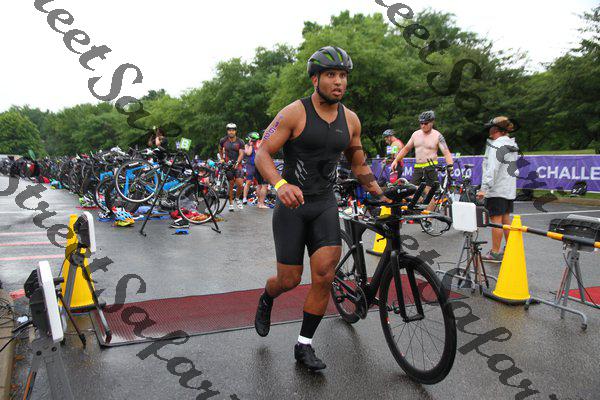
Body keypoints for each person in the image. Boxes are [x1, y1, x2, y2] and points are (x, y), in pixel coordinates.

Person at [254, 46, 389, 371]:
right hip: (292, 208)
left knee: (325, 276)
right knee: (289, 280)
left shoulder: (351, 120)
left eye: (343, 75)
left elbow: (358, 164)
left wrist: (379, 192)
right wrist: (280, 185)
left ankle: (304, 345)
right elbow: (262, 153)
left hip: (325, 204)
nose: (338, 81)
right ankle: (268, 296)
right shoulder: (294, 113)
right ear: (315, 79)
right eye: (331, 75)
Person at [391, 111, 454, 211]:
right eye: (421, 123)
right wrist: (396, 160)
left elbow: (446, 152)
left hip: (430, 167)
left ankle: (429, 217)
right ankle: (418, 209)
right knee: (411, 192)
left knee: (429, 194)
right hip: (418, 167)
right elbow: (406, 149)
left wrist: (450, 165)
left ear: (432, 122)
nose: (423, 125)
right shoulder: (415, 134)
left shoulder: (437, 135)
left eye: (425, 123)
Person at [477, 116, 519, 263]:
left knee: (496, 221)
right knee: (505, 218)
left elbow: (492, 169)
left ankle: (495, 253)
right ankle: (510, 249)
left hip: (497, 188)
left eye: (491, 127)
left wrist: (484, 188)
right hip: (508, 188)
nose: (489, 129)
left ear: (496, 129)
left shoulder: (497, 145)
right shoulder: (511, 144)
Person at [218, 123, 245, 211]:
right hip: (228, 165)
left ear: (235, 131)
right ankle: (231, 203)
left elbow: (241, 154)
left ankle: (237, 198)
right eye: (229, 130)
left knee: (240, 184)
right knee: (231, 185)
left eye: (233, 130)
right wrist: (222, 159)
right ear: (227, 131)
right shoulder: (223, 140)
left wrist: (237, 162)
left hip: (237, 165)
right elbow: (220, 149)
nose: (231, 132)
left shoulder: (240, 141)